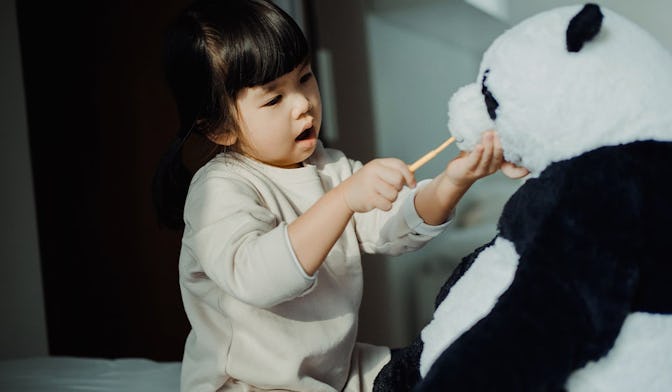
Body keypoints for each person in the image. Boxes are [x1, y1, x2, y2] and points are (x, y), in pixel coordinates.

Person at [152, 0, 524, 390]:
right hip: (250, 384)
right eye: (274, 98)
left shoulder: (331, 167)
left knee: (447, 364)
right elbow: (256, 279)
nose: (303, 104)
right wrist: (344, 200)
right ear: (218, 128)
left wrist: (453, 181)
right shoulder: (219, 187)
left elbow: (395, 228)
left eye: (305, 77)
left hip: (340, 373)